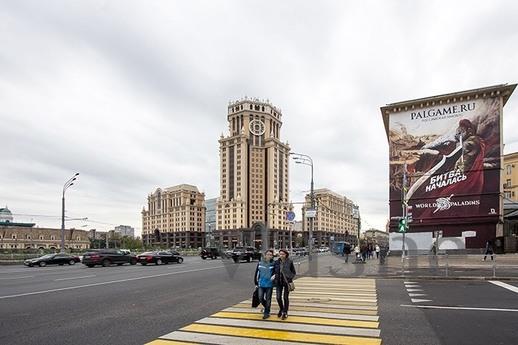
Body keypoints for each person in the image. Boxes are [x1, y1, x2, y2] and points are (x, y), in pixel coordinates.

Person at [273, 249, 296, 320]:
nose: (281, 255)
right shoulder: (276, 262)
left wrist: (289, 278)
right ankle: (281, 309)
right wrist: (274, 276)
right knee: (278, 297)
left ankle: (285, 312)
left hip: (286, 283)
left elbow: (293, 272)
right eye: (280, 254)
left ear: (286, 254)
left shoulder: (289, 262)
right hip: (278, 282)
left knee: (285, 297)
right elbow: (274, 271)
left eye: (283, 254)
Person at [254, 249, 275, 319]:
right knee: (260, 298)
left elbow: (276, 272)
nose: (269, 256)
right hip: (261, 284)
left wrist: (274, 276)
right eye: (268, 254)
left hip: (269, 284)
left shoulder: (274, 264)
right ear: (265, 255)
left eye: (271, 255)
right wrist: (256, 283)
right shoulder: (260, 263)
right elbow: (257, 273)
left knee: (268, 299)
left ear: (272, 256)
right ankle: (267, 307)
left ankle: (266, 313)